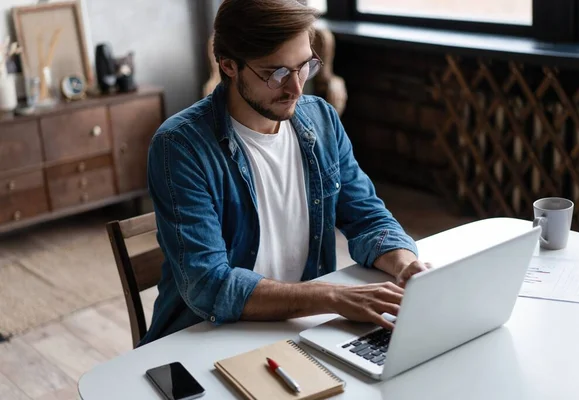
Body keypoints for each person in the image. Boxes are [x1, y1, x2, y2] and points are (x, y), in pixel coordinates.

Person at [139, 0, 431, 347]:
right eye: (276, 73)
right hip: (207, 337)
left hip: (299, 328)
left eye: (304, 66)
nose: (296, 89)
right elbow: (209, 285)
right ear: (229, 66)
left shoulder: (321, 120)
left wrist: (405, 265)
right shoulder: (180, 146)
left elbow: (368, 218)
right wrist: (332, 297)